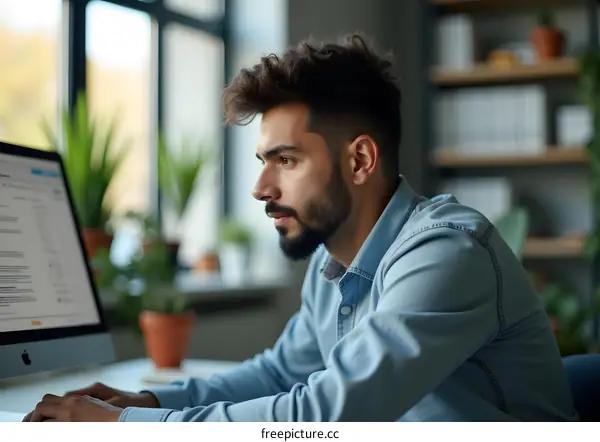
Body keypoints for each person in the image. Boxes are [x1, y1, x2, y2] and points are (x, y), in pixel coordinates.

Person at [24, 33, 577, 422]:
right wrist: (147, 405)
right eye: (263, 161)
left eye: (285, 161)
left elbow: (325, 413)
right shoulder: (332, 261)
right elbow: (281, 375)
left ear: (360, 161)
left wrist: (121, 430)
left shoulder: (446, 251)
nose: (261, 189)